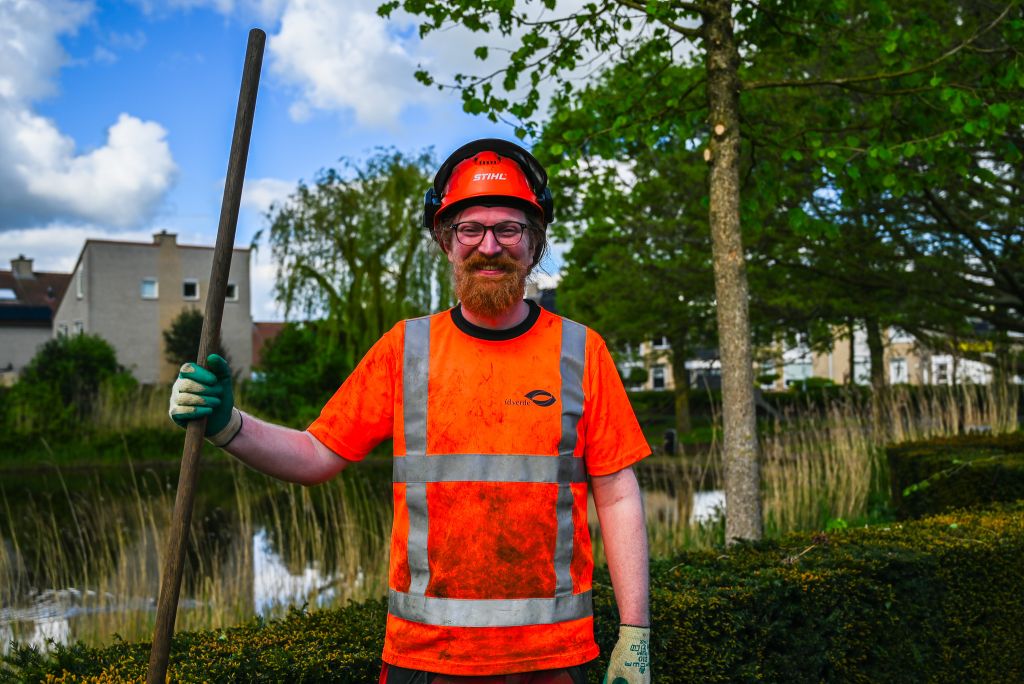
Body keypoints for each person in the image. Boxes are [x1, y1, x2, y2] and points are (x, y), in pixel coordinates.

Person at [169, 139, 651, 684]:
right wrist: (228, 426)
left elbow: (616, 491)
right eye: (471, 229)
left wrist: (635, 636)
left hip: (554, 660)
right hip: (427, 661)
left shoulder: (581, 351)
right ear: (446, 242)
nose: (488, 246)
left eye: (508, 229)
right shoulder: (406, 350)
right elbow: (315, 455)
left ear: (534, 243)